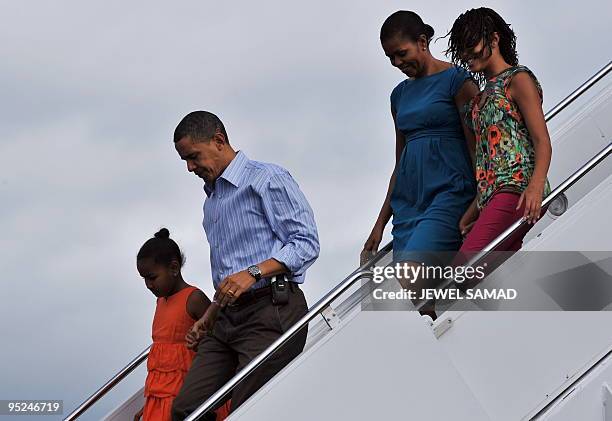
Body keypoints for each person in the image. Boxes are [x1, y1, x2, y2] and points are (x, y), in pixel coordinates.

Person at [170, 111, 320, 420]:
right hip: (225, 318)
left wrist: (254, 273)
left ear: (219, 141)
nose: (189, 167)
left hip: (271, 310)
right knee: (187, 409)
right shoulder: (211, 201)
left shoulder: (266, 178)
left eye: (193, 157)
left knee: (247, 410)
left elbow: (306, 243)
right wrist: (210, 314)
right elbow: (230, 274)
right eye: (185, 160)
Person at [361, 11, 478, 310]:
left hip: (449, 195)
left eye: (401, 53)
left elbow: (477, 148)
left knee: (408, 277)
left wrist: (480, 199)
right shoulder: (398, 96)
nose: (397, 63)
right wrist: (379, 224)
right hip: (408, 205)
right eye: (390, 58)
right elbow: (399, 162)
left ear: (422, 42)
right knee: (417, 305)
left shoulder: (457, 81)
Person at [445, 7, 552, 254]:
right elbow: (485, 161)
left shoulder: (517, 79)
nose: (465, 55)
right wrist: (470, 213)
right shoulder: (476, 102)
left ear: (494, 39)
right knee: (491, 276)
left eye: (470, 45)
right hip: (493, 197)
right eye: (461, 48)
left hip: (519, 189)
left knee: (463, 271)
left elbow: (541, 140)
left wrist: (536, 186)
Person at [135, 228, 230, 421]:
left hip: (186, 393)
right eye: (144, 279)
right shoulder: (160, 301)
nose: (148, 285)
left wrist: (200, 338)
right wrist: (150, 403)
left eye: (152, 277)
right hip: (159, 396)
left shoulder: (193, 298)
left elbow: (218, 340)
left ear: (174, 268)